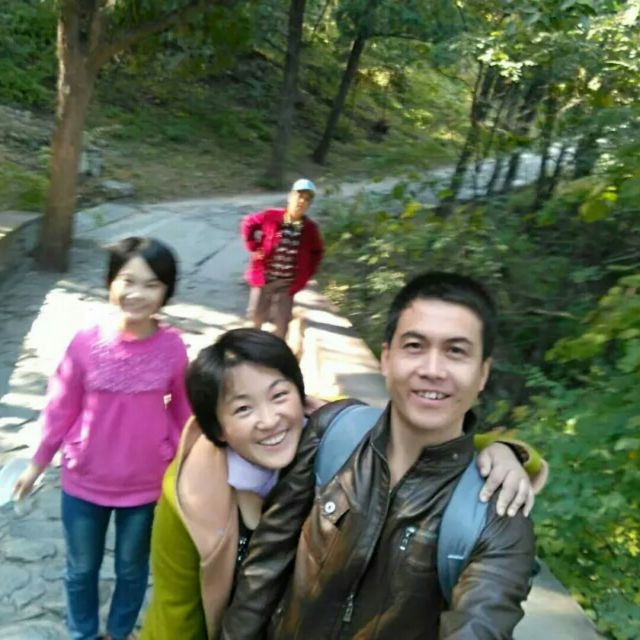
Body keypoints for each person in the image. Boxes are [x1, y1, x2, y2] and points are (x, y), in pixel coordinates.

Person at [140, 328, 544, 640]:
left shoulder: (332, 435)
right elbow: (177, 609)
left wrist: (506, 450)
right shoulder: (189, 493)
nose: (269, 420)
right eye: (243, 409)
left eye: (279, 396)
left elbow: (421, 439)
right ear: (218, 428)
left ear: (300, 394)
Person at [220, 272, 539, 640]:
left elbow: (483, 623)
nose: (432, 370)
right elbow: (265, 566)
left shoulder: (497, 516)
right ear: (386, 358)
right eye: (415, 346)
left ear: (482, 373)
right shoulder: (332, 433)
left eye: (456, 351)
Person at [13, 237, 191, 640]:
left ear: (166, 291)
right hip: (84, 479)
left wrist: (184, 459)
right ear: (111, 282)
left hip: (145, 485)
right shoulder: (85, 342)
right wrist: (37, 464)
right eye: (128, 280)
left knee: (131, 569)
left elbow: (184, 410)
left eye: (151, 284)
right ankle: (83, 633)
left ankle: (119, 631)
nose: (137, 294)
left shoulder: (172, 347)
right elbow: (60, 407)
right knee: (80, 569)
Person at [241, 178, 323, 338]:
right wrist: (254, 246)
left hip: (287, 283)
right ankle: (250, 347)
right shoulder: (271, 216)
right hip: (264, 278)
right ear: (290, 196)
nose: (302, 201)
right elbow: (248, 223)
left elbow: (317, 252)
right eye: (299, 196)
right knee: (255, 319)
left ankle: (275, 350)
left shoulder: (309, 229)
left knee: (282, 325)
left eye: (307, 199)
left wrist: (307, 273)